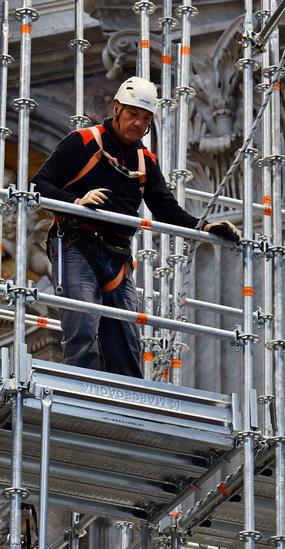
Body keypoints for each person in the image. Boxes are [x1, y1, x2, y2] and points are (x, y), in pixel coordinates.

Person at [32, 76, 239, 378]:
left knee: (126, 342)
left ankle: (126, 411)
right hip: (76, 244)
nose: (139, 124)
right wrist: (75, 201)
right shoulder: (85, 142)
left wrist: (205, 227)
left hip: (116, 256)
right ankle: (81, 398)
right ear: (116, 109)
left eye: (146, 118)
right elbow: (38, 184)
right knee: (83, 327)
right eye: (133, 115)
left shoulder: (145, 162)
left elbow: (166, 209)